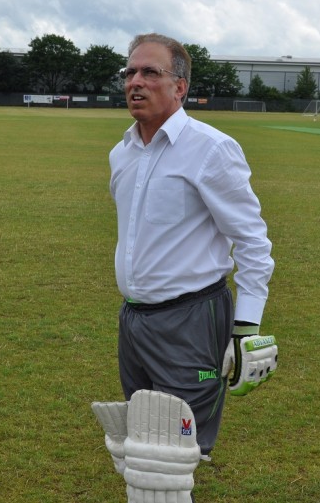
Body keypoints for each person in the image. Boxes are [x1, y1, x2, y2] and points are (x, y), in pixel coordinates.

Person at [98, 33, 275, 501]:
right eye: (130, 72)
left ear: (180, 87)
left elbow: (252, 240)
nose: (135, 82)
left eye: (150, 73)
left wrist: (246, 326)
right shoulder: (122, 152)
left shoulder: (211, 149)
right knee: (138, 451)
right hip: (134, 319)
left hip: (192, 319)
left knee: (166, 462)